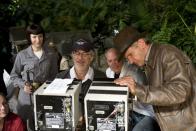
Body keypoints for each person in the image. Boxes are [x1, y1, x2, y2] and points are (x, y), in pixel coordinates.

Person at [113, 26, 196, 131]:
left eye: (130, 55)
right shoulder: (151, 60)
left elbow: (181, 90)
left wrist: (138, 89)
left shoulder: (167, 54)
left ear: (141, 44)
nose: (130, 61)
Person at [10, 24, 59, 130]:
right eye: (34, 37)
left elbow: (54, 75)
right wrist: (23, 85)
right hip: (26, 100)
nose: (38, 40)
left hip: (44, 96)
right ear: (29, 38)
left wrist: (48, 88)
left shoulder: (51, 54)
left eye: (40, 36)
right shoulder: (22, 55)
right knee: (25, 127)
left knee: (46, 125)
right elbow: (13, 75)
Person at [105, 47, 160, 130]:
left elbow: (141, 97)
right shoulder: (108, 72)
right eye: (110, 61)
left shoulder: (134, 72)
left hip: (144, 112)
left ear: (122, 58)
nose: (113, 63)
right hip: (126, 111)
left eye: (116, 59)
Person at [56, 38, 105, 130]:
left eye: (85, 54)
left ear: (91, 57)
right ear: (72, 55)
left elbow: (106, 105)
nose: (80, 58)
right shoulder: (60, 78)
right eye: (77, 53)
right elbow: (56, 106)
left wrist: (90, 116)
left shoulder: (102, 77)